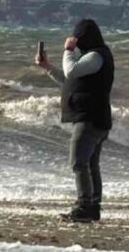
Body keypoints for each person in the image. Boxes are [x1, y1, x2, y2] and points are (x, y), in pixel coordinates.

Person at [35, 19, 114, 223]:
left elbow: (71, 71)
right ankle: (92, 207)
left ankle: (84, 206)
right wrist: (47, 67)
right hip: (94, 117)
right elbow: (69, 80)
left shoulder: (97, 55)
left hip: (90, 118)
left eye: (76, 38)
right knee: (90, 164)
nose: (75, 42)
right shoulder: (90, 59)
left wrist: (67, 51)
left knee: (79, 163)